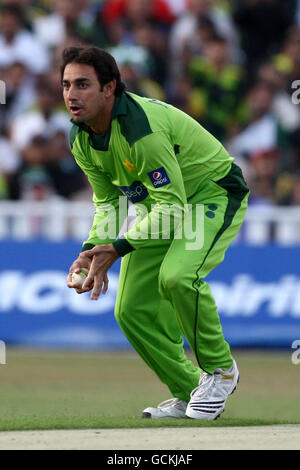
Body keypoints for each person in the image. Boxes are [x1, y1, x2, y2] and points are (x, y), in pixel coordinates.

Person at [63, 46, 249, 420]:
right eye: (66, 85)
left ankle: (221, 370)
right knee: (130, 310)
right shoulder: (81, 138)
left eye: (83, 84)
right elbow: (109, 203)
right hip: (162, 207)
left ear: (109, 88)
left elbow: (175, 207)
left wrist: (117, 247)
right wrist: (89, 251)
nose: (71, 94)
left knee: (178, 277)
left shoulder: (139, 130)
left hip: (209, 194)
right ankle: (188, 389)